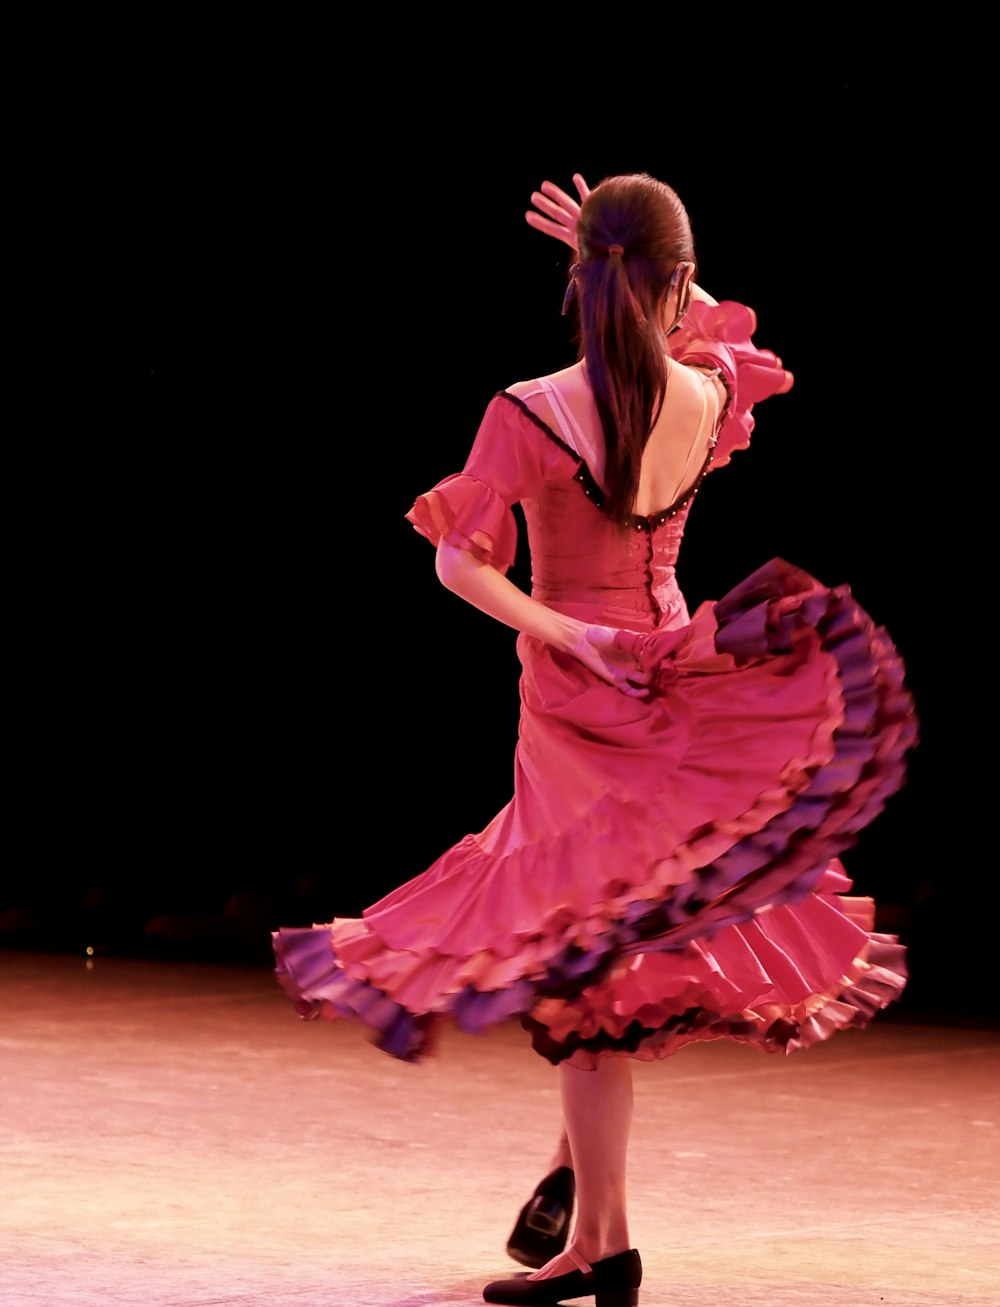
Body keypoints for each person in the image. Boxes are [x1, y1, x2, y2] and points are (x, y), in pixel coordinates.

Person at [272, 171, 918, 1307]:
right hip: (674, 667)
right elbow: (721, 328)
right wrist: (647, 270)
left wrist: (561, 625)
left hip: (579, 694)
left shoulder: (529, 408)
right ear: (672, 281)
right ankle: (588, 1188)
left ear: (579, 280)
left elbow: (457, 560)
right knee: (614, 946)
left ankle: (601, 1244)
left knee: (586, 968)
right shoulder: (704, 392)